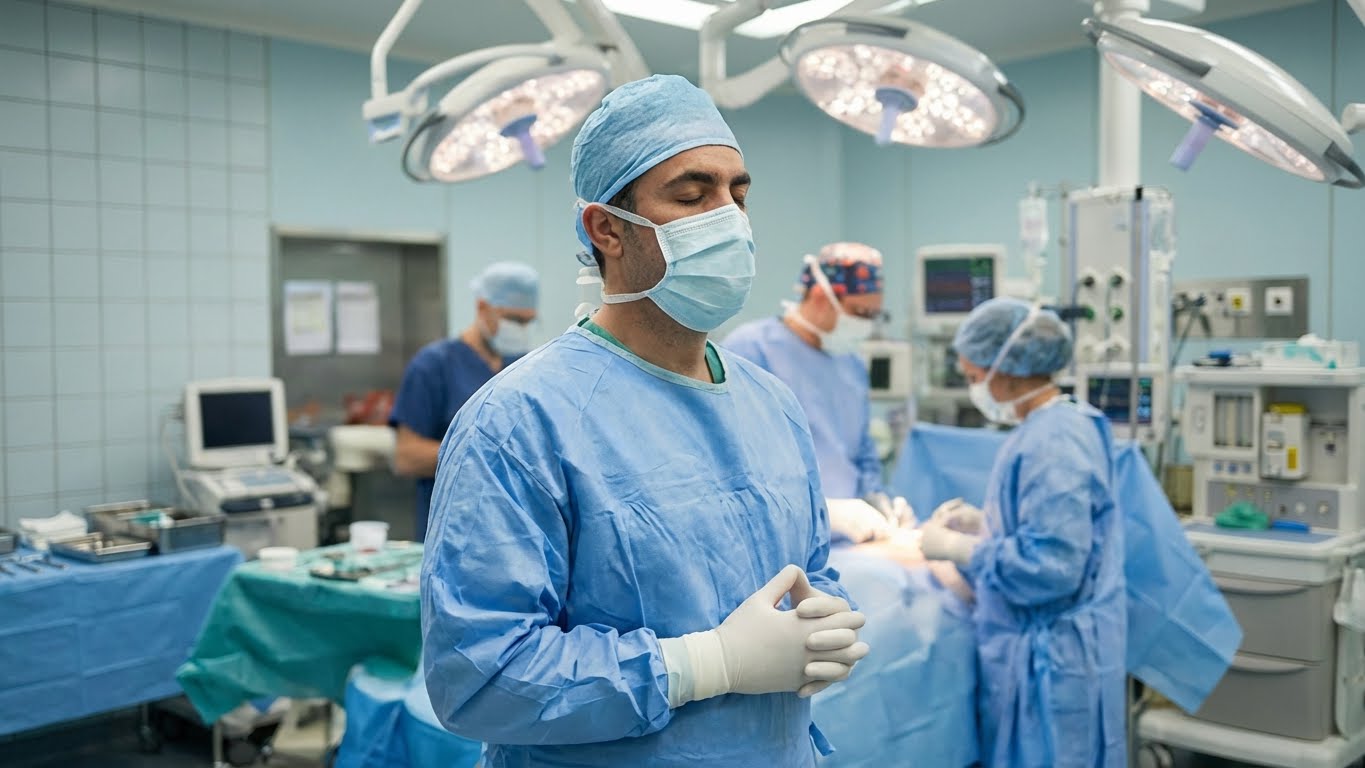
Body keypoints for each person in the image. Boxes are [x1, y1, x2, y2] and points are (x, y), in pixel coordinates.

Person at [420, 74, 870, 768]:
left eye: (738, 195)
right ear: (606, 229)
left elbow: (806, 571)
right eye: (692, 195)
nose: (729, 217)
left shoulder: (771, 403)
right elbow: (477, 679)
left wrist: (819, 622)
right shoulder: (519, 422)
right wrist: (705, 663)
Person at [917, 297, 1125, 768]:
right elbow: (1054, 527)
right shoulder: (1056, 425)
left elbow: (1053, 566)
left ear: (1006, 370)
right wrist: (989, 525)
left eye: (974, 378)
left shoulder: (1054, 440)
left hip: (1055, 668)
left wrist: (960, 548)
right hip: (1046, 657)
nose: (975, 389)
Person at [725, 243, 912, 543]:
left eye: (874, 314)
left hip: (854, 539)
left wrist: (877, 497)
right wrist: (818, 510)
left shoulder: (850, 363)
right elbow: (736, 459)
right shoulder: (751, 350)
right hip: (787, 538)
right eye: (860, 312)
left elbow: (863, 452)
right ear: (820, 297)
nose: (866, 324)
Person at [389, 261, 539, 540]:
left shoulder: (523, 366)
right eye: (513, 320)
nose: (520, 329)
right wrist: (492, 455)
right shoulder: (433, 366)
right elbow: (406, 457)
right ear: (482, 308)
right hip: (453, 530)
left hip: (514, 531)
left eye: (527, 322)